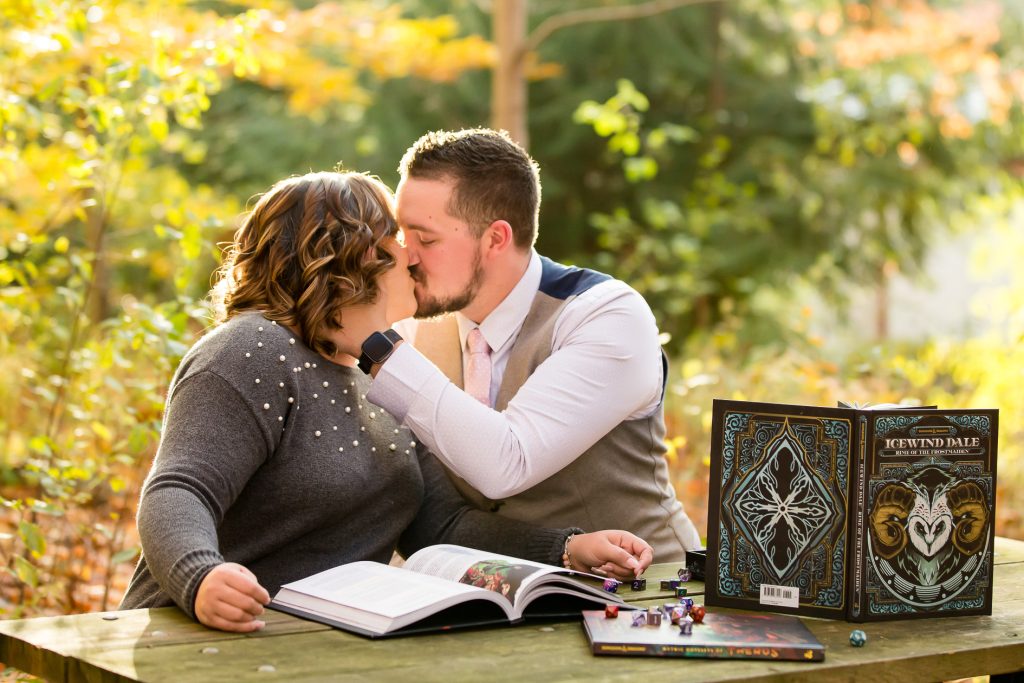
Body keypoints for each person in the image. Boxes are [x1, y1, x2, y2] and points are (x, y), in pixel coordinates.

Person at [119, 171, 653, 633]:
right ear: (350, 257)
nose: (411, 255)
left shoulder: (383, 373)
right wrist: (200, 576)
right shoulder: (252, 350)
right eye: (397, 238)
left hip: (308, 644)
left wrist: (565, 549)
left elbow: (439, 525)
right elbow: (179, 489)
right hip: (196, 633)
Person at [341, 129, 701, 563]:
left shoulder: (606, 315)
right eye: (403, 236)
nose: (407, 256)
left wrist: (378, 349)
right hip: (491, 592)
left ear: (496, 238)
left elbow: (507, 462)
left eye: (427, 239)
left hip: (643, 586)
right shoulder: (413, 326)